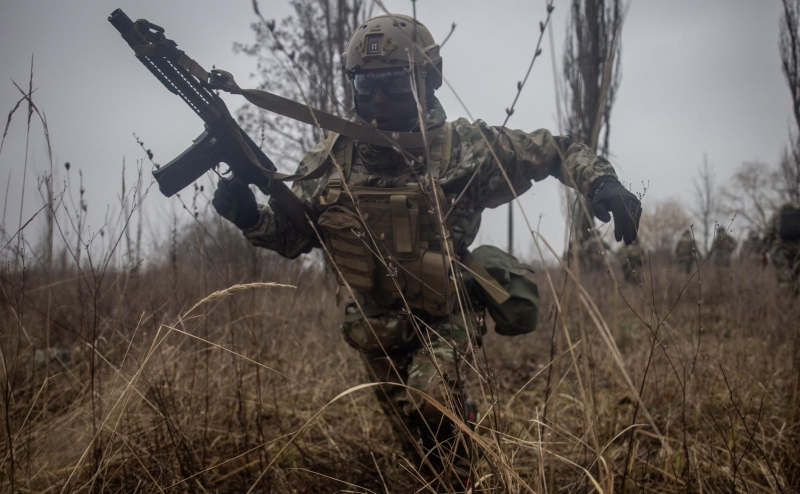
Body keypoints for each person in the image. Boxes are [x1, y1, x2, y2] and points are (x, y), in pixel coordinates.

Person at [212, 13, 641, 484]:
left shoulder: (463, 148)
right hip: (372, 325)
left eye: (394, 84)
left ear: (427, 81)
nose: (377, 99)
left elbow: (553, 150)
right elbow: (301, 236)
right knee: (417, 439)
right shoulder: (330, 157)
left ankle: (468, 474)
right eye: (364, 85)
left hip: (445, 312)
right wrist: (250, 218)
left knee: (429, 400)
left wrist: (602, 182)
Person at [764, 203, 800, 293]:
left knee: (784, 278)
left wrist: (766, 249)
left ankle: (787, 303)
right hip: (798, 249)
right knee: (797, 276)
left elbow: (768, 234)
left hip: (781, 249)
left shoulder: (776, 215)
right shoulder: (798, 214)